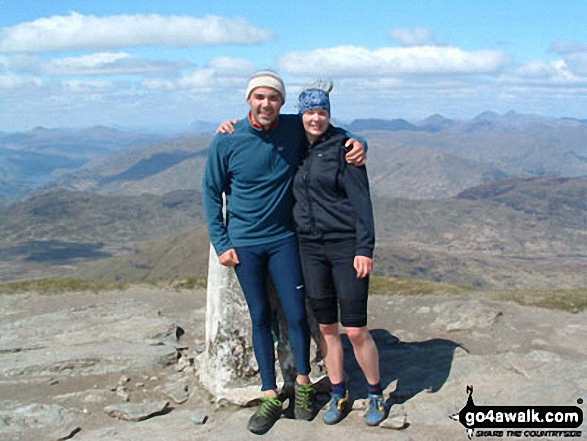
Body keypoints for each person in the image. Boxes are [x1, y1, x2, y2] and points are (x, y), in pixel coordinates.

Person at [202, 70, 366, 434]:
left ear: (281, 102)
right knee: (260, 317)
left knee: (294, 315)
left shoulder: (292, 128)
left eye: (273, 98)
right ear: (248, 100)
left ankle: (303, 384)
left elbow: (330, 130)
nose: (266, 104)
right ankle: (269, 393)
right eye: (259, 97)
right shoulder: (227, 140)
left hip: (283, 240)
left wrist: (359, 141)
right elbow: (212, 193)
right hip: (244, 243)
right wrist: (222, 244)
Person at [292, 83, 386, 426]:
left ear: (329, 114)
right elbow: (262, 125)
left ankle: (375, 393)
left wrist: (365, 248)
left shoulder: (346, 146)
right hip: (310, 248)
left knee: (356, 328)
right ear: (301, 114)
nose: (316, 118)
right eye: (310, 112)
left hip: (346, 246)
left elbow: (362, 202)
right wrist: (230, 126)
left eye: (322, 112)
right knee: (328, 327)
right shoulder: (293, 144)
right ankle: (338, 390)